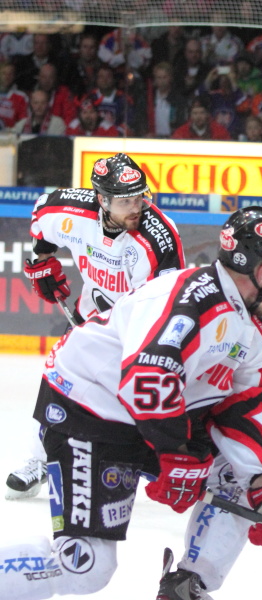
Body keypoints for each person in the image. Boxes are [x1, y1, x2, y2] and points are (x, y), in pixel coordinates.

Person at [0, 206, 262, 600]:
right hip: (88, 409)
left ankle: (186, 586)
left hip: (145, 419)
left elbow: (244, 408)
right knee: (86, 566)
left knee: (237, 480)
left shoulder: (251, 332)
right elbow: (146, 378)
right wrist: (177, 453)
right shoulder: (189, 299)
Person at [6, 153, 185, 503]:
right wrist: (40, 262)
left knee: (143, 402)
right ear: (102, 199)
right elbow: (42, 216)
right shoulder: (71, 212)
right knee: (58, 377)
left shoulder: (158, 238)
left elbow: (166, 306)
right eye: (126, 200)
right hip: (91, 321)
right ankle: (38, 459)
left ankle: (176, 463)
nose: (137, 207)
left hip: (140, 334)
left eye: (141, 196)